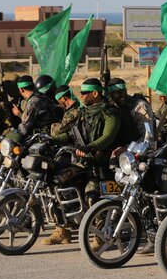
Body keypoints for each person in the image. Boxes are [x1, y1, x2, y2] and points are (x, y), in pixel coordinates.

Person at [49, 78, 121, 246]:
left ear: (95, 93)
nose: (80, 95)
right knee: (58, 182)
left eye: (84, 93)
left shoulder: (110, 112)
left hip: (103, 163)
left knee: (91, 193)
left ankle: (100, 235)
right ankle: (63, 229)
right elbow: (71, 135)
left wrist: (91, 147)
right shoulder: (83, 112)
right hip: (83, 162)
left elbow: (108, 137)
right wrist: (52, 140)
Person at [107, 78, 156, 153]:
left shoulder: (139, 106)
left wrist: (128, 148)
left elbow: (148, 138)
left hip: (137, 151)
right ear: (110, 94)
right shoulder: (109, 106)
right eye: (116, 93)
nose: (122, 95)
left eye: (123, 91)